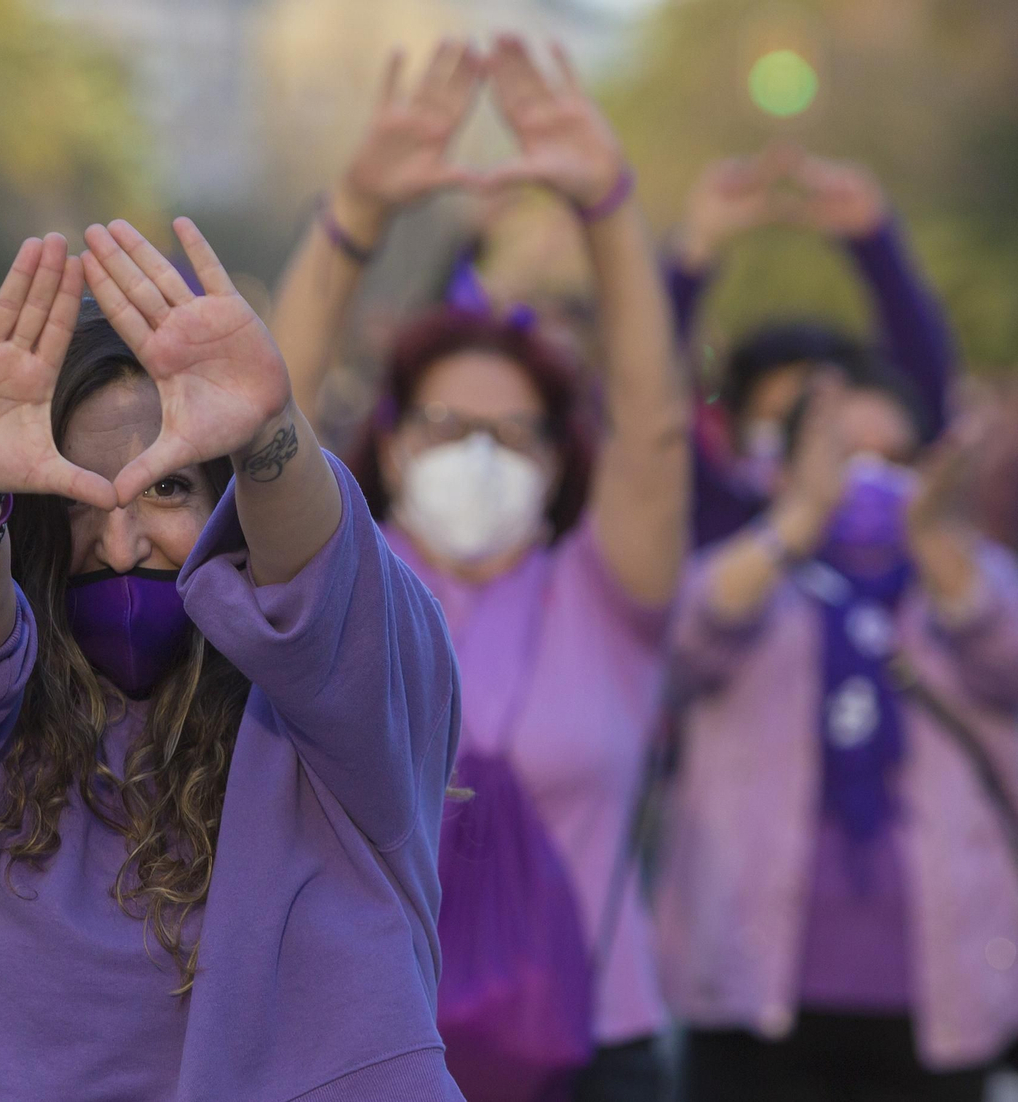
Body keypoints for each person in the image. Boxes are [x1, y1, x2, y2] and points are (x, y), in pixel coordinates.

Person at [0, 222, 463, 1100]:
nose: (120, 545)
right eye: (74, 499)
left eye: (168, 486)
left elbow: (327, 606)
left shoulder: (350, 734)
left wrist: (270, 435)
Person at [270, 37, 690, 1102]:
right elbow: (264, 417)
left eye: (513, 432)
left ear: (558, 457)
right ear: (392, 440)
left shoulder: (605, 589)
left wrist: (608, 211)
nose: (478, 454)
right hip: (364, 1051)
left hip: (592, 1054)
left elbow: (653, 427)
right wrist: (357, 211)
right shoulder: (344, 584)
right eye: (447, 425)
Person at [657, 365, 1018, 1102]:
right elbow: (686, 642)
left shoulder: (969, 575)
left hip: (940, 997)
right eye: (845, 454)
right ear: (785, 465)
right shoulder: (756, 576)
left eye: (895, 456)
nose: (871, 477)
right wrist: (798, 520)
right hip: (750, 990)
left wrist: (934, 541)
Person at [666, 146, 958, 547]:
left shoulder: (912, 539)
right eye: (788, 423)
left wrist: (874, 241)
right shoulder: (724, 534)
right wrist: (693, 251)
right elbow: (645, 400)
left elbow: (920, 396)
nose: (865, 474)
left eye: (835, 431)